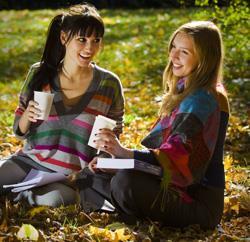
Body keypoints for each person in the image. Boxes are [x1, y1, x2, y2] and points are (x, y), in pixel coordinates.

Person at [77, 21, 230, 229]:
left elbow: (176, 159)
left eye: (183, 52)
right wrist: (115, 161)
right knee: (93, 174)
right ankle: (125, 205)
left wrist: (124, 154)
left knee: (125, 182)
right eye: (173, 48)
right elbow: (163, 161)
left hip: (197, 201)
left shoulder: (205, 98)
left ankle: (126, 207)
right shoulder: (185, 90)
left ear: (204, 59)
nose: (173, 56)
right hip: (171, 184)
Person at [0, 4, 124, 207]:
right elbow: (19, 131)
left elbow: (113, 135)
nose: (89, 48)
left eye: (96, 41)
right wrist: (26, 117)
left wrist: (102, 158)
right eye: (82, 40)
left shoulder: (109, 84)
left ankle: (19, 194)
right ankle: (17, 187)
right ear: (64, 38)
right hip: (29, 163)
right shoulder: (40, 73)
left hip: (69, 177)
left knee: (60, 200)